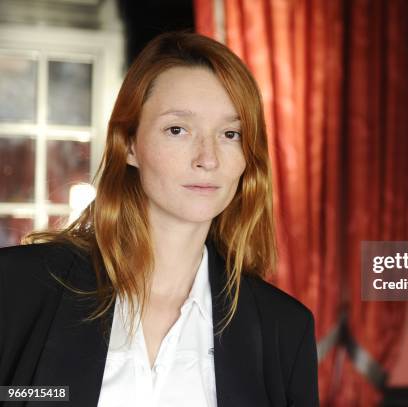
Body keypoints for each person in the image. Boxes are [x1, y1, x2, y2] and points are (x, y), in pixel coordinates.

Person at [0, 31, 319, 407]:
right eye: (177, 130)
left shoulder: (284, 328)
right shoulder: (16, 287)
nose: (208, 159)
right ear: (130, 145)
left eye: (230, 134)